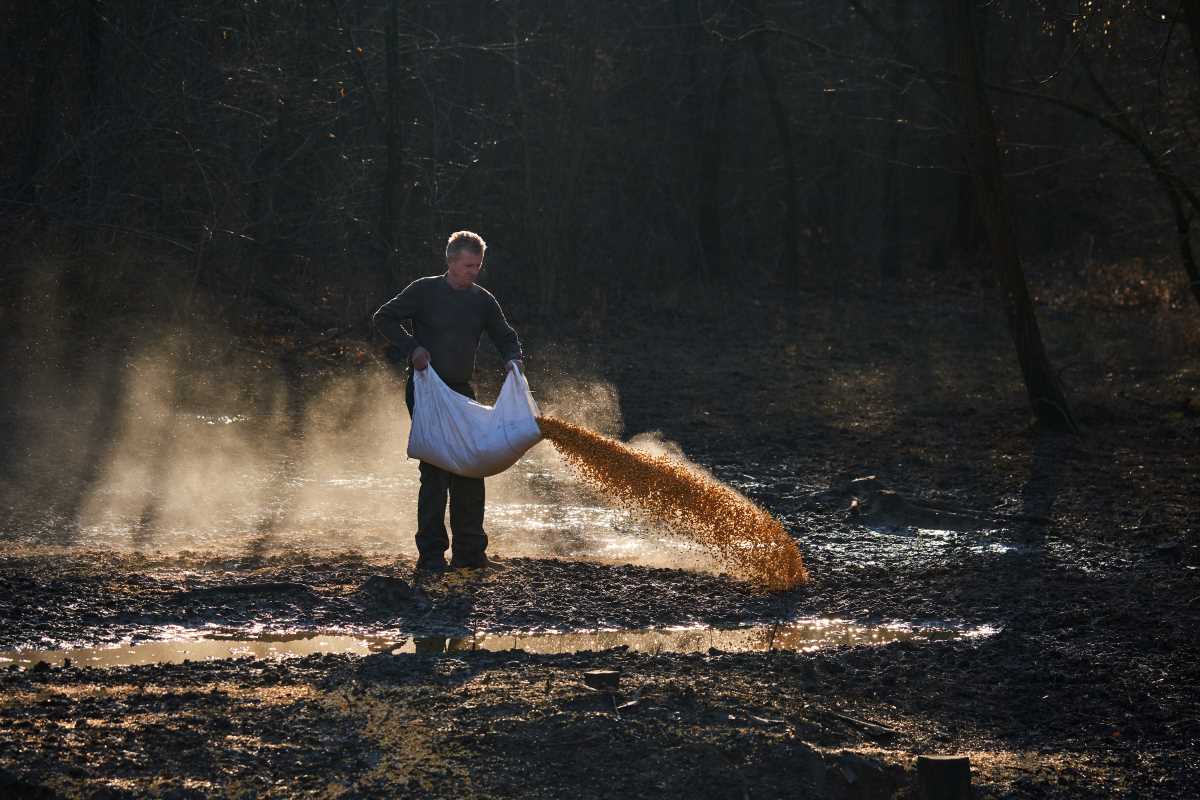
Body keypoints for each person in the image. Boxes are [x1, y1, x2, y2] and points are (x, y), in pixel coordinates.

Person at [373, 231, 523, 573]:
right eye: (469, 265)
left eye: (478, 266)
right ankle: (431, 556)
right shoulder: (424, 290)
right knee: (437, 470)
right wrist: (412, 349)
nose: (474, 271)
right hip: (426, 389)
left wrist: (513, 359)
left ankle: (470, 553)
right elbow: (383, 317)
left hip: (461, 391)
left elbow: (506, 336)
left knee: (472, 467)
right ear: (451, 261)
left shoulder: (482, 300)